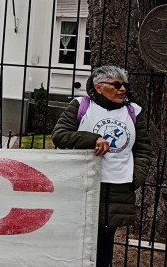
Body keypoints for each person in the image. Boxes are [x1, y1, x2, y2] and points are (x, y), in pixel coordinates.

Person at [52, 65, 152, 267]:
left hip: (118, 187)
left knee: (105, 241)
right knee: (79, 238)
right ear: (98, 87)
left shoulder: (134, 112)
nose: (122, 89)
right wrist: (93, 139)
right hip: (85, 183)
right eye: (116, 85)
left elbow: (143, 149)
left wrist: (135, 178)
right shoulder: (81, 106)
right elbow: (60, 135)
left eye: (124, 85)